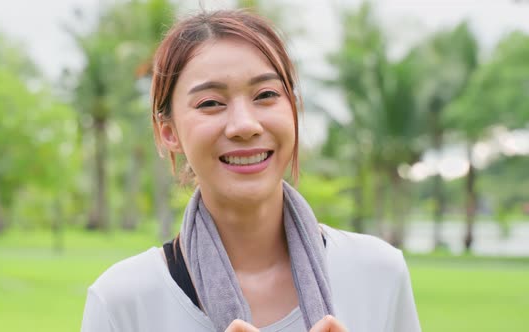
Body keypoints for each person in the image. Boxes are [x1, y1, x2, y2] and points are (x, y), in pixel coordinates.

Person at [81, 9, 420, 332]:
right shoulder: (123, 301)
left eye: (266, 94)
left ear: (294, 109)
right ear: (168, 132)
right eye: (210, 103)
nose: (245, 125)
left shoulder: (379, 274)